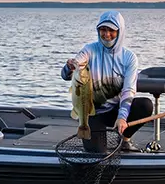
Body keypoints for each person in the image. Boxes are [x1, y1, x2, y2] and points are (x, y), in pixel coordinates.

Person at [61, 10, 153, 152]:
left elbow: (128, 90)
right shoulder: (89, 50)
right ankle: (88, 129)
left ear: (120, 31)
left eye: (111, 30)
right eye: (103, 29)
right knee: (97, 154)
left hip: (116, 110)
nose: (106, 34)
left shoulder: (129, 58)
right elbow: (67, 73)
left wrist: (122, 117)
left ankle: (124, 139)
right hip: (92, 112)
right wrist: (70, 67)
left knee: (145, 105)